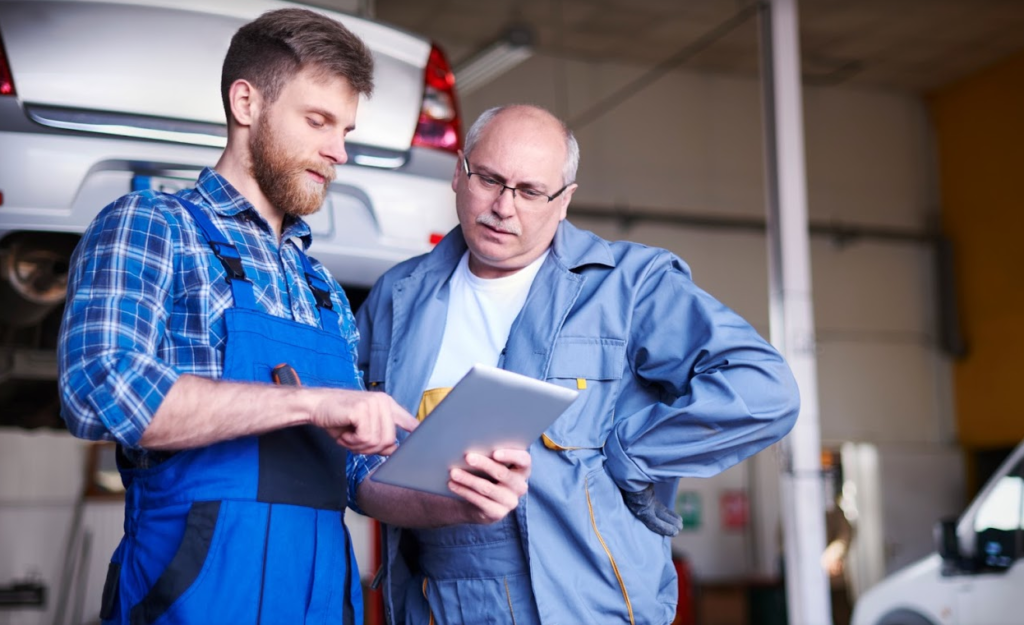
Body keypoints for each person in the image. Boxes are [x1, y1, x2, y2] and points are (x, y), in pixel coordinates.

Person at [57, 10, 529, 625]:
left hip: (321, 603)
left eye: (345, 130)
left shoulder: (321, 288)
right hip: (191, 601)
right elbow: (100, 389)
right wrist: (310, 403)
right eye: (317, 121)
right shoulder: (153, 227)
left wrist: (457, 500)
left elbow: (360, 476)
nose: (339, 151)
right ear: (246, 103)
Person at [355, 104, 802, 625]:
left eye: (530, 191)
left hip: (586, 602)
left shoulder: (628, 286)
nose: (503, 207)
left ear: (564, 200)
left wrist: (630, 457)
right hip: (440, 601)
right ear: (459, 173)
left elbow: (764, 388)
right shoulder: (396, 298)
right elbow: (352, 458)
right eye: (490, 180)